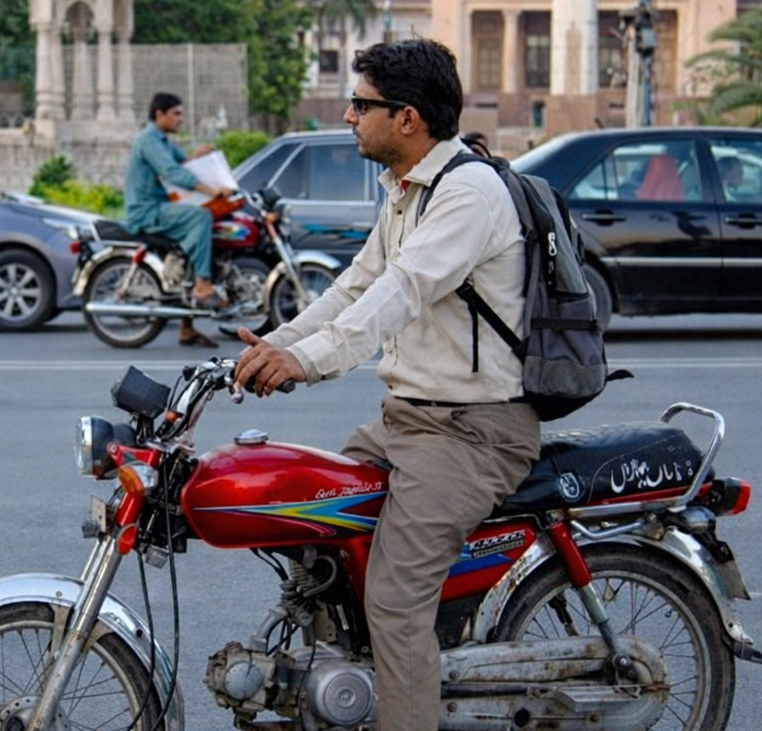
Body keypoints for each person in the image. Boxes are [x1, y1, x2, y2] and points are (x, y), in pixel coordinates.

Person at [233, 39, 540, 731]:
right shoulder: (407, 190)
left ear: (407, 118)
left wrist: (308, 363)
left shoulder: (467, 194)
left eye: (360, 103)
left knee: (396, 601)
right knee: (317, 538)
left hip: (472, 434)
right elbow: (355, 286)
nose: (348, 115)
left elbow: (401, 292)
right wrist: (276, 345)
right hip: (406, 421)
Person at [124, 92, 234, 347]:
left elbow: (183, 164)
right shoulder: (149, 139)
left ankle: (187, 327)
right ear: (159, 114)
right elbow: (173, 172)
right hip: (148, 210)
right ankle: (203, 285)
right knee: (201, 216)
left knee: (204, 229)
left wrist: (197, 156)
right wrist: (212, 191)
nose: (180, 119)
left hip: (162, 207)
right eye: (176, 114)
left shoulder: (163, 140)